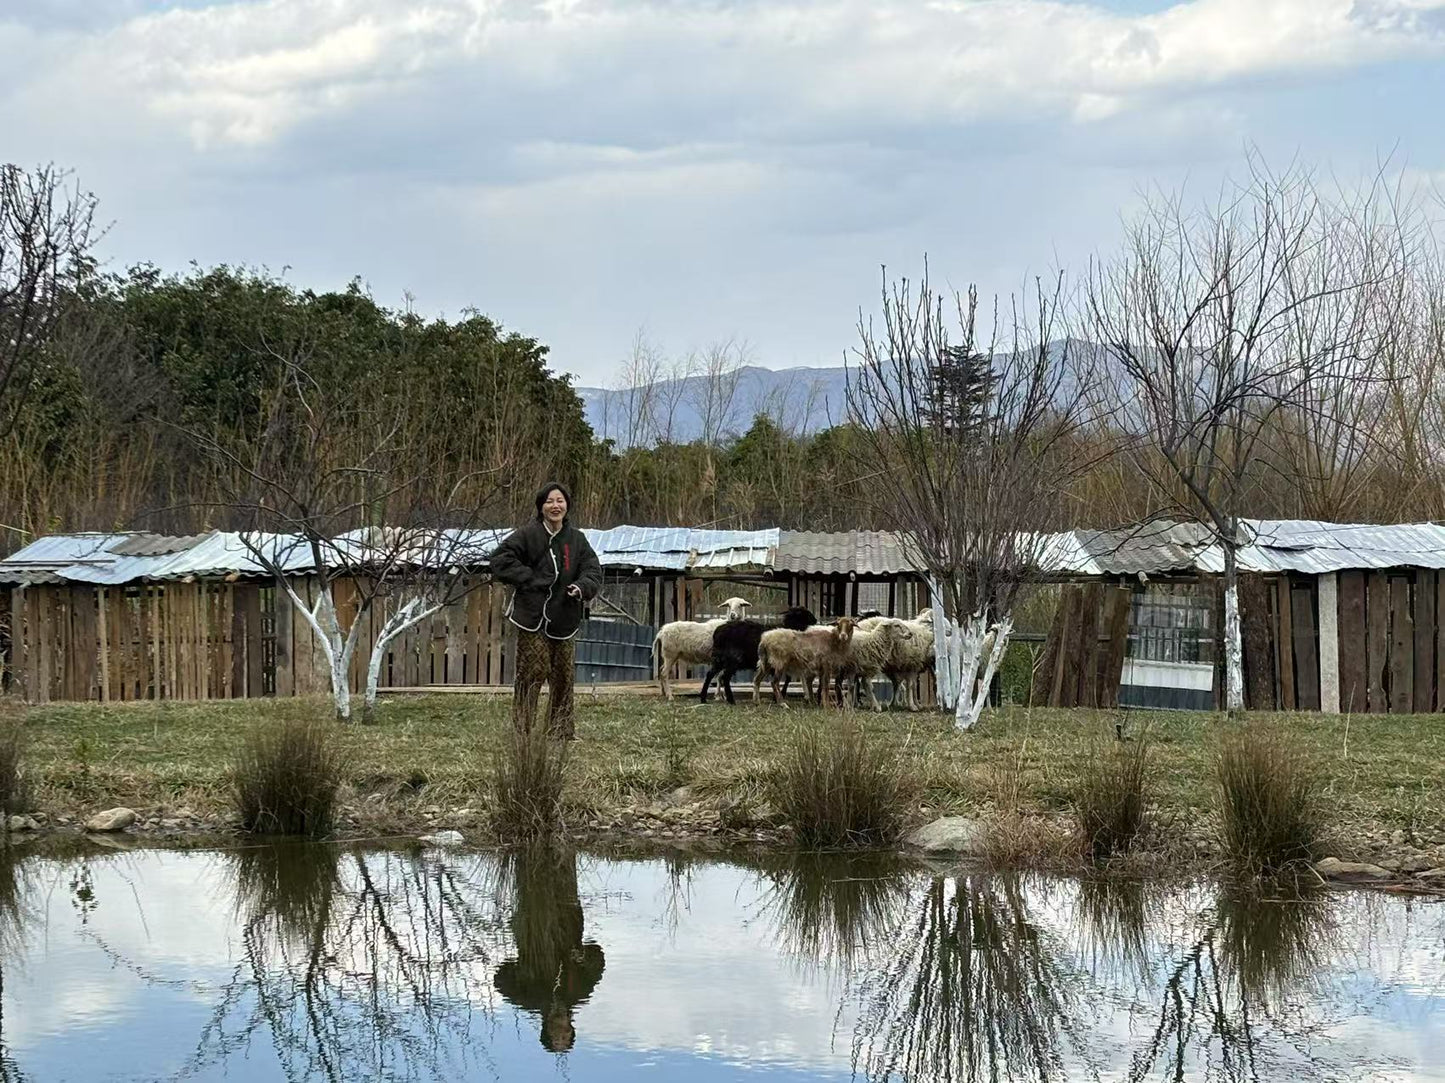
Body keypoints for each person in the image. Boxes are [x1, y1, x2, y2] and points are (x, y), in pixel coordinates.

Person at [489, 482, 602, 739]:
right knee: (532, 672)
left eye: (560, 501)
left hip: (565, 616)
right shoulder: (527, 535)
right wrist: (530, 578)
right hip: (532, 617)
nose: (555, 506)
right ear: (541, 507)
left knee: (563, 675)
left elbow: (593, 570)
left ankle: (560, 731)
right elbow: (499, 560)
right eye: (549, 501)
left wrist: (581, 587)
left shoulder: (577, 540)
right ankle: (523, 730)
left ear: (567, 505)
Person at [493, 848, 606, 1053]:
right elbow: (598, 956)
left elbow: (500, 979)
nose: (560, 1030)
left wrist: (522, 967)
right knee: (564, 862)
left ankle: (527, 841)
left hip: (531, 920)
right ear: (572, 1029)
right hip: (568, 915)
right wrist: (582, 958)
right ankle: (558, 834)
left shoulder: (529, 999)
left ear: (545, 1030)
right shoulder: (579, 992)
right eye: (565, 1035)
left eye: (556, 1035)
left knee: (529, 866)